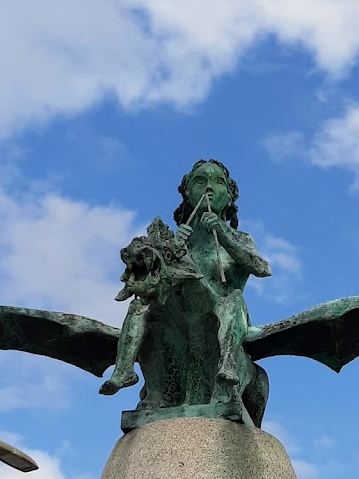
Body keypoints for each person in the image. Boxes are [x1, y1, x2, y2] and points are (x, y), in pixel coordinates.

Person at [99, 159, 271, 397]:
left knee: (233, 298)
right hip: (180, 318)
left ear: (229, 197)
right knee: (141, 304)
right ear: (188, 193)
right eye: (200, 182)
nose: (208, 188)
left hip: (223, 315)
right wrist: (173, 251)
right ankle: (124, 370)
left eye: (218, 182)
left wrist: (223, 235)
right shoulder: (179, 242)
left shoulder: (240, 238)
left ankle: (228, 363)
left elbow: (261, 268)